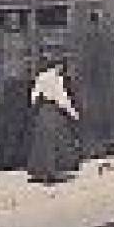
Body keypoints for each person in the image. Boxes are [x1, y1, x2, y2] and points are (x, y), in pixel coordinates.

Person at [27, 50, 84, 183]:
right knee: (57, 141)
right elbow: (62, 99)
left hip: (42, 111)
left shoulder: (41, 76)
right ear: (58, 65)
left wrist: (38, 110)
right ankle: (54, 172)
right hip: (53, 111)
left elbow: (34, 97)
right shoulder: (56, 79)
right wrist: (73, 113)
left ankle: (40, 172)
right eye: (62, 66)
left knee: (42, 142)